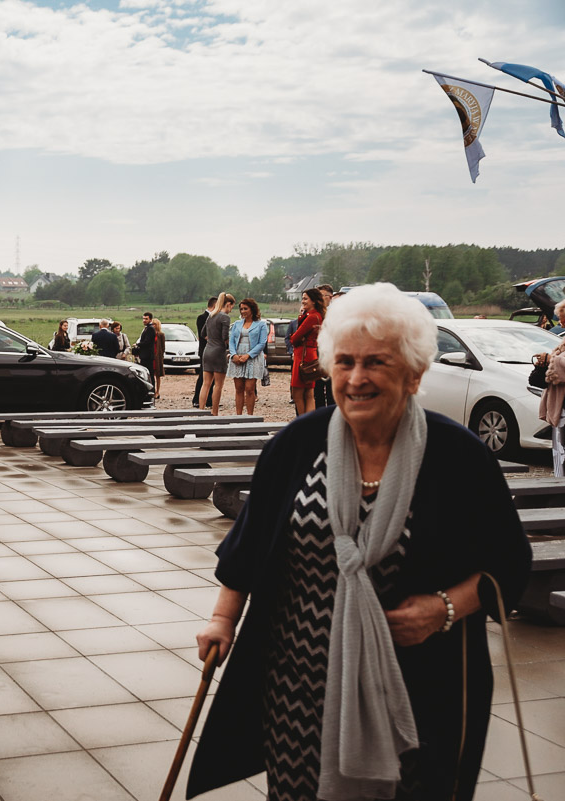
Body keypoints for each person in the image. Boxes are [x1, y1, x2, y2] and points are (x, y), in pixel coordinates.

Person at [188, 283, 531, 801]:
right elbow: (249, 546)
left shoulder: (458, 456)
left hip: (420, 685)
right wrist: (221, 620)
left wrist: (443, 609)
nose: (356, 377)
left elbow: (509, 564)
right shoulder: (296, 446)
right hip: (298, 683)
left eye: (377, 362)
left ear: (414, 373)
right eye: (344, 361)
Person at [536, 298, 565, 476]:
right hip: (561, 405)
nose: (561, 323)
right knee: (559, 449)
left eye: (564, 319)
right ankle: (559, 481)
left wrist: (550, 360)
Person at [228, 298, 268, 415]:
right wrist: (234, 354)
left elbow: (262, 343)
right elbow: (231, 341)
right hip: (237, 357)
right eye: (241, 309)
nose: (243, 311)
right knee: (239, 389)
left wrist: (248, 355)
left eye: (245, 308)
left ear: (252, 309)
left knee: (250, 389)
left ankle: (250, 417)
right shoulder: (236, 324)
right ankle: (238, 416)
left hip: (253, 358)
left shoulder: (261, 325)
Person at [290, 287, 326, 417]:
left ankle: (302, 421)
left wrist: (294, 337)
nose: (303, 301)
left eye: (305, 298)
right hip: (311, 354)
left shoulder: (311, 317)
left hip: (303, 356)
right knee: (309, 392)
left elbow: (294, 338)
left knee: (297, 393)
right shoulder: (317, 316)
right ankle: (309, 422)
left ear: (314, 301)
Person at [199, 293, 234, 415]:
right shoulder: (225, 317)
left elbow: (203, 333)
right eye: (232, 307)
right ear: (228, 304)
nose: (231, 310)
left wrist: (212, 339)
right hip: (219, 352)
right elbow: (225, 337)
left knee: (206, 384)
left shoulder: (211, 316)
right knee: (218, 385)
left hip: (207, 351)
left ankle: (201, 410)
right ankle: (214, 412)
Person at [314, 285, 337, 409]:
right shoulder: (315, 313)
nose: (320, 299)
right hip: (317, 354)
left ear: (330, 297)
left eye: (322, 296)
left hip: (332, 354)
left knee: (331, 389)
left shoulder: (336, 313)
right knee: (317, 389)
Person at [193, 296, 217, 408]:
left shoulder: (214, 317)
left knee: (213, 377)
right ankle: (197, 399)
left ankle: (209, 399)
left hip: (213, 350)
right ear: (214, 305)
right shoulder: (202, 317)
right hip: (205, 351)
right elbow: (204, 335)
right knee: (203, 376)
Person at [136, 312, 157, 387]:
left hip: (147, 355)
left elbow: (147, 342)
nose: (144, 320)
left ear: (150, 319)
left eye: (146, 319)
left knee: (148, 374)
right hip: (145, 355)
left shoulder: (150, 329)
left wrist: (138, 344)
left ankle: (151, 390)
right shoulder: (147, 328)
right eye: (143, 319)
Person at [152, 319, 167, 396]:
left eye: (154, 324)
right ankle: (152, 390)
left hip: (157, 357)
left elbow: (163, 347)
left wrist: (161, 356)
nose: (153, 325)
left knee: (158, 375)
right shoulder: (150, 333)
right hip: (151, 356)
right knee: (151, 375)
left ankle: (157, 391)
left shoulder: (161, 334)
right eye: (152, 324)